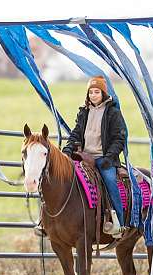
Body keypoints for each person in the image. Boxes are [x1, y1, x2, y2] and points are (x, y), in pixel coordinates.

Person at [62, 75, 127, 234]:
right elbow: (76, 133)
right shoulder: (84, 112)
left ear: (103, 93)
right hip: (83, 157)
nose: (93, 95)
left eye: (96, 92)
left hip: (103, 159)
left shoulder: (113, 112)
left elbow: (119, 138)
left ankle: (119, 222)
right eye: (90, 92)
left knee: (111, 182)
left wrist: (109, 158)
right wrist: (68, 148)